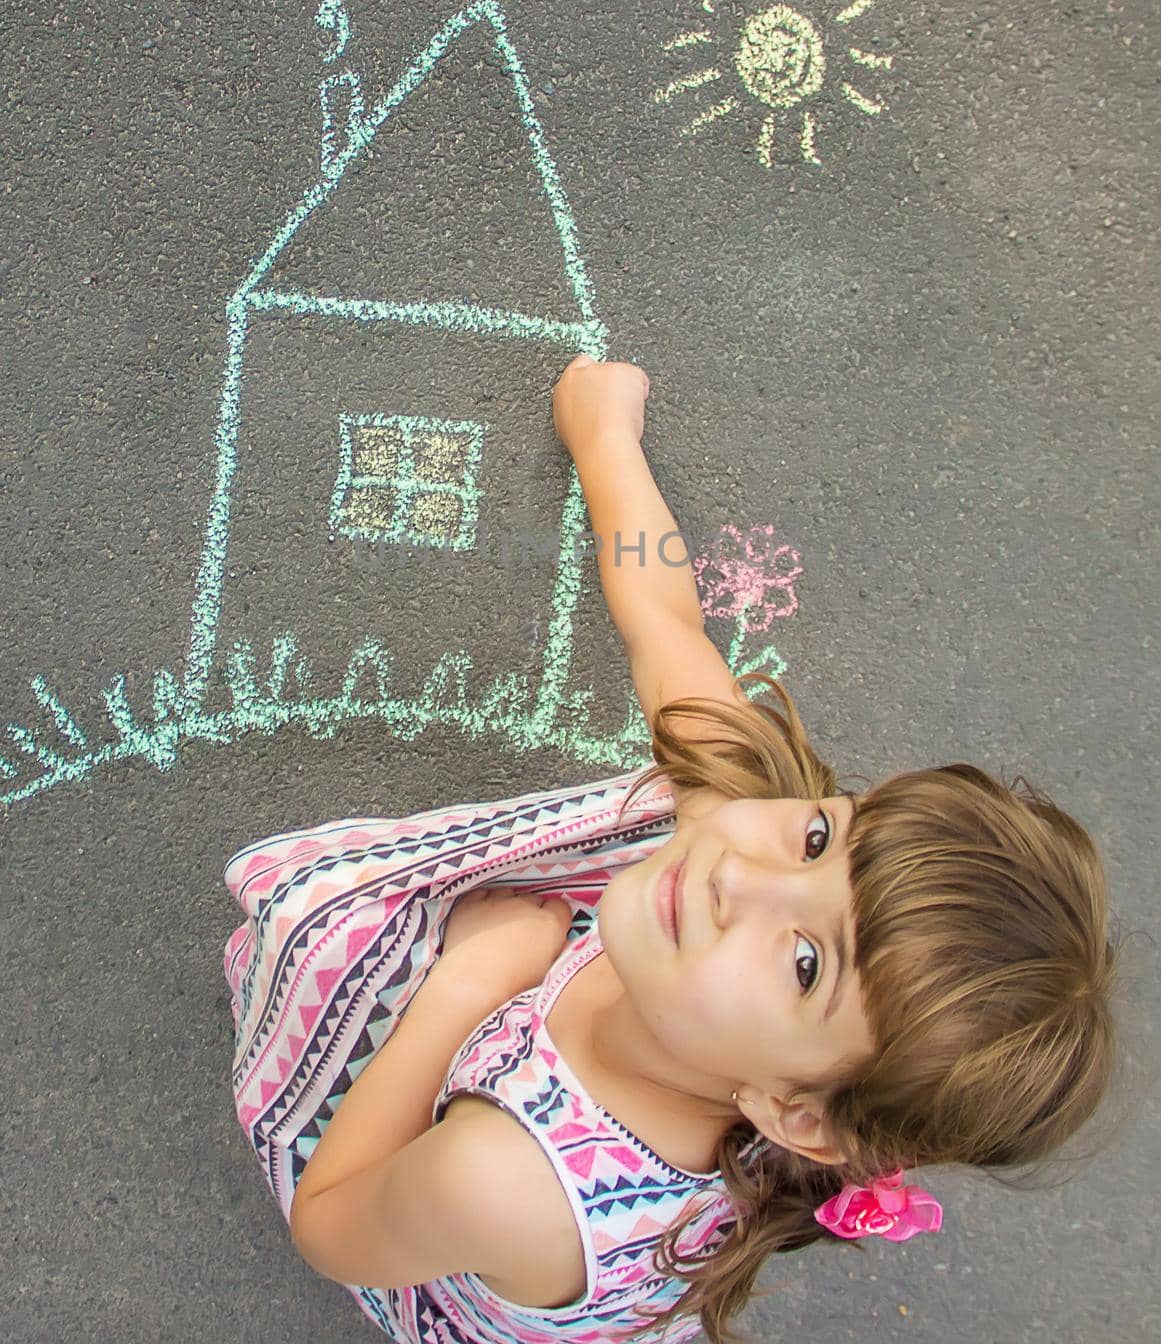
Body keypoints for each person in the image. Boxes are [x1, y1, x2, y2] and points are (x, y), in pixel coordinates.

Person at [222, 354, 1121, 1344]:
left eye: (807, 959)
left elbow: (333, 1223)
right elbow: (667, 623)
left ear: (798, 1113)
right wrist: (606, 441)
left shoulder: (504, 1179)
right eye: (822, 837)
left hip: (458, 1220)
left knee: (344, 972)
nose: (746, 870)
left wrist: (468, 982)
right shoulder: (746, 922)